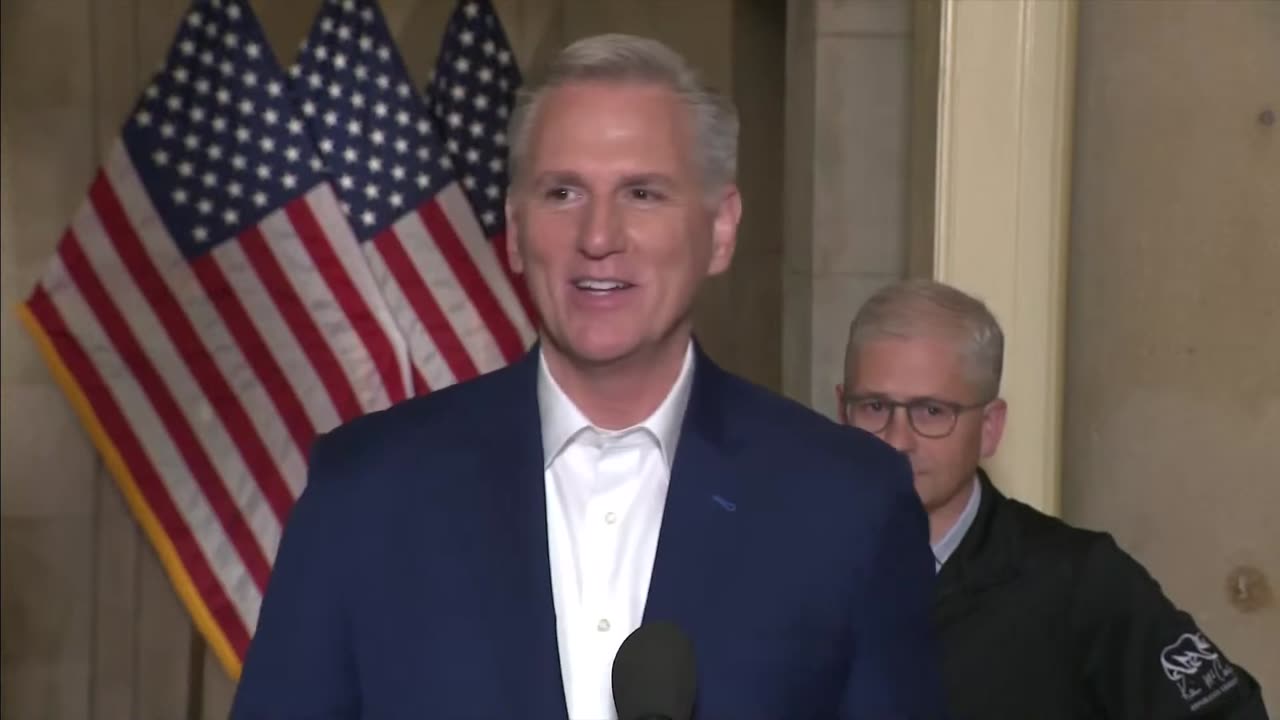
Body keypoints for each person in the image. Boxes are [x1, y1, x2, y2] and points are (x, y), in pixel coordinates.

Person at [231, 34, 949, 719]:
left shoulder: (847, 506)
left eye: (642, 194)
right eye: (563, 193)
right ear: (515, 230)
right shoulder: (366, 492)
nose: (599, 238)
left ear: (721, 230)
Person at [836, 278, 1271, 719]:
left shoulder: (1080, 582)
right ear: (840, 411)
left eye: (932, 412)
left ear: (990, 426)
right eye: (874, 407)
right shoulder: (792, 566)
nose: (897, 440)